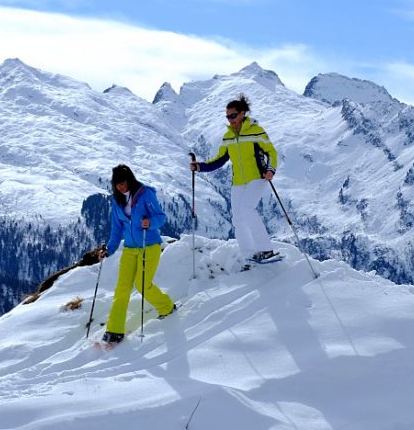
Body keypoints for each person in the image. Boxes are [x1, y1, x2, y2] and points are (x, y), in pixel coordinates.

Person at [190, 94, 279, 264]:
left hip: (257, 178)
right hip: (238, 182)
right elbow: (220, 160)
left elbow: (271, 152)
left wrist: (270, 170)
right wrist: (199, 166)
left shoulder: (256, 131)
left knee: (247, 208)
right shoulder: (228, 137)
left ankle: (266, 249)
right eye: (228, 117)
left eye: (233, 116)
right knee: (237, 219)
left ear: (243, 113)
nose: (231, 120)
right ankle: (250, 254)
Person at [98, 164, 176, 344]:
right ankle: (114, 330)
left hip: (149, 245)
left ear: (129, 180)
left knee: (142, 284)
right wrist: (108, 250)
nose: (120, 186)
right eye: (117, 184)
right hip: (130, 249)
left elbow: (161, 217)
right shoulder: (116, 202)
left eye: (123, 182)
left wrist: (150, 222)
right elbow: (116, 230)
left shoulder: (145, 194)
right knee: (122, 289)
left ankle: (167, 308)